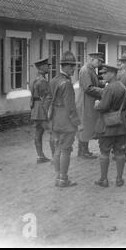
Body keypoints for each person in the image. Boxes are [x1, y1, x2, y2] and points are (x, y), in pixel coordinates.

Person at [93, 64, 126, 188]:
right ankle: (119, 179)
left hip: (107, 126)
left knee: (104, 152)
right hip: (120, 124)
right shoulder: (122, 87)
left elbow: (103, 107)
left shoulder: (109, 88)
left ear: (112, 73)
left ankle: (104, 179)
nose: (103, 75)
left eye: (105, 73)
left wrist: (97, 104)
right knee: (120, 152)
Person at [49, 51, 81, 188]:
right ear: (66, 67)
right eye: (72, 66)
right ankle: (63, 179)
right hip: (66, 122)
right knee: (66, 150)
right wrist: (78, 123)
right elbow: (70, 107)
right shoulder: (67, 83)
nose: (74, 69)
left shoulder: (54, 80)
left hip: (55, 119)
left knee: (57, 148)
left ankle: (58, 177)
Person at [76, 52, 104, 159]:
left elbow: (94, 82)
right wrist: (103, 91)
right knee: (85, 125)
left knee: (87, 124)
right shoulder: (85, 70)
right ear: (92, 59)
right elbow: (88, 88)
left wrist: (104, 82)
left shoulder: (90, 69)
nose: (100, 63)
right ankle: (83, 151)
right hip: (85, 102)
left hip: (88, 101)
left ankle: (83, 150)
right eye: (99, 61)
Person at [30, 57, 54, 163]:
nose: (49, 67)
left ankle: (40, 156)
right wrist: (49, 112)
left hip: (35, 109)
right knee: (52, 132)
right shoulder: (43, 80)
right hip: (42, 109)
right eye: (47, 66)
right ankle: (56, 157)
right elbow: (46, 98)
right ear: (41, 67)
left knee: (38, 133)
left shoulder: (35, 79)